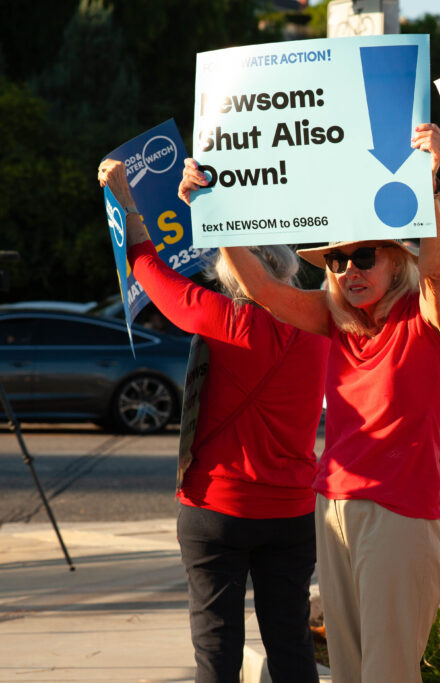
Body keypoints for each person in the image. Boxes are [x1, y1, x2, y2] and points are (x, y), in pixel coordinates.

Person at [179, 123, 440, 683]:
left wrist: (428, 181)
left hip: (399, 513)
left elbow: (434, 269)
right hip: (331, 508)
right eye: (336, 260)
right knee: (349, 672)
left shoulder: (424, 319)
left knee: (389, 673)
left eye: (363, 256)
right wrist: (212, 210)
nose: (349, 269)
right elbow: (262, 289)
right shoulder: (334, 319)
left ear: (394, 259)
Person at [98, 160, 328, 683]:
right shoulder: (321, 327)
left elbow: (147, 268)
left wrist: (128, 204)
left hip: (216, 506)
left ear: (233, 272)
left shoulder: (224, 318)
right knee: (291, 643)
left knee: (216, 647)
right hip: (292, 509)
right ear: (289, 268)